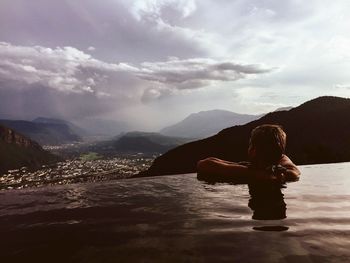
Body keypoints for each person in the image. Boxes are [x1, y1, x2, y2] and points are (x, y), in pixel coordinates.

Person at [197, 124, 300, 184]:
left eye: (250, 145)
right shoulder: (281, 168)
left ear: (253, 151)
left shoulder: (247, 172)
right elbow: (293, 170)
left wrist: (248, 171)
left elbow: (203, 164)